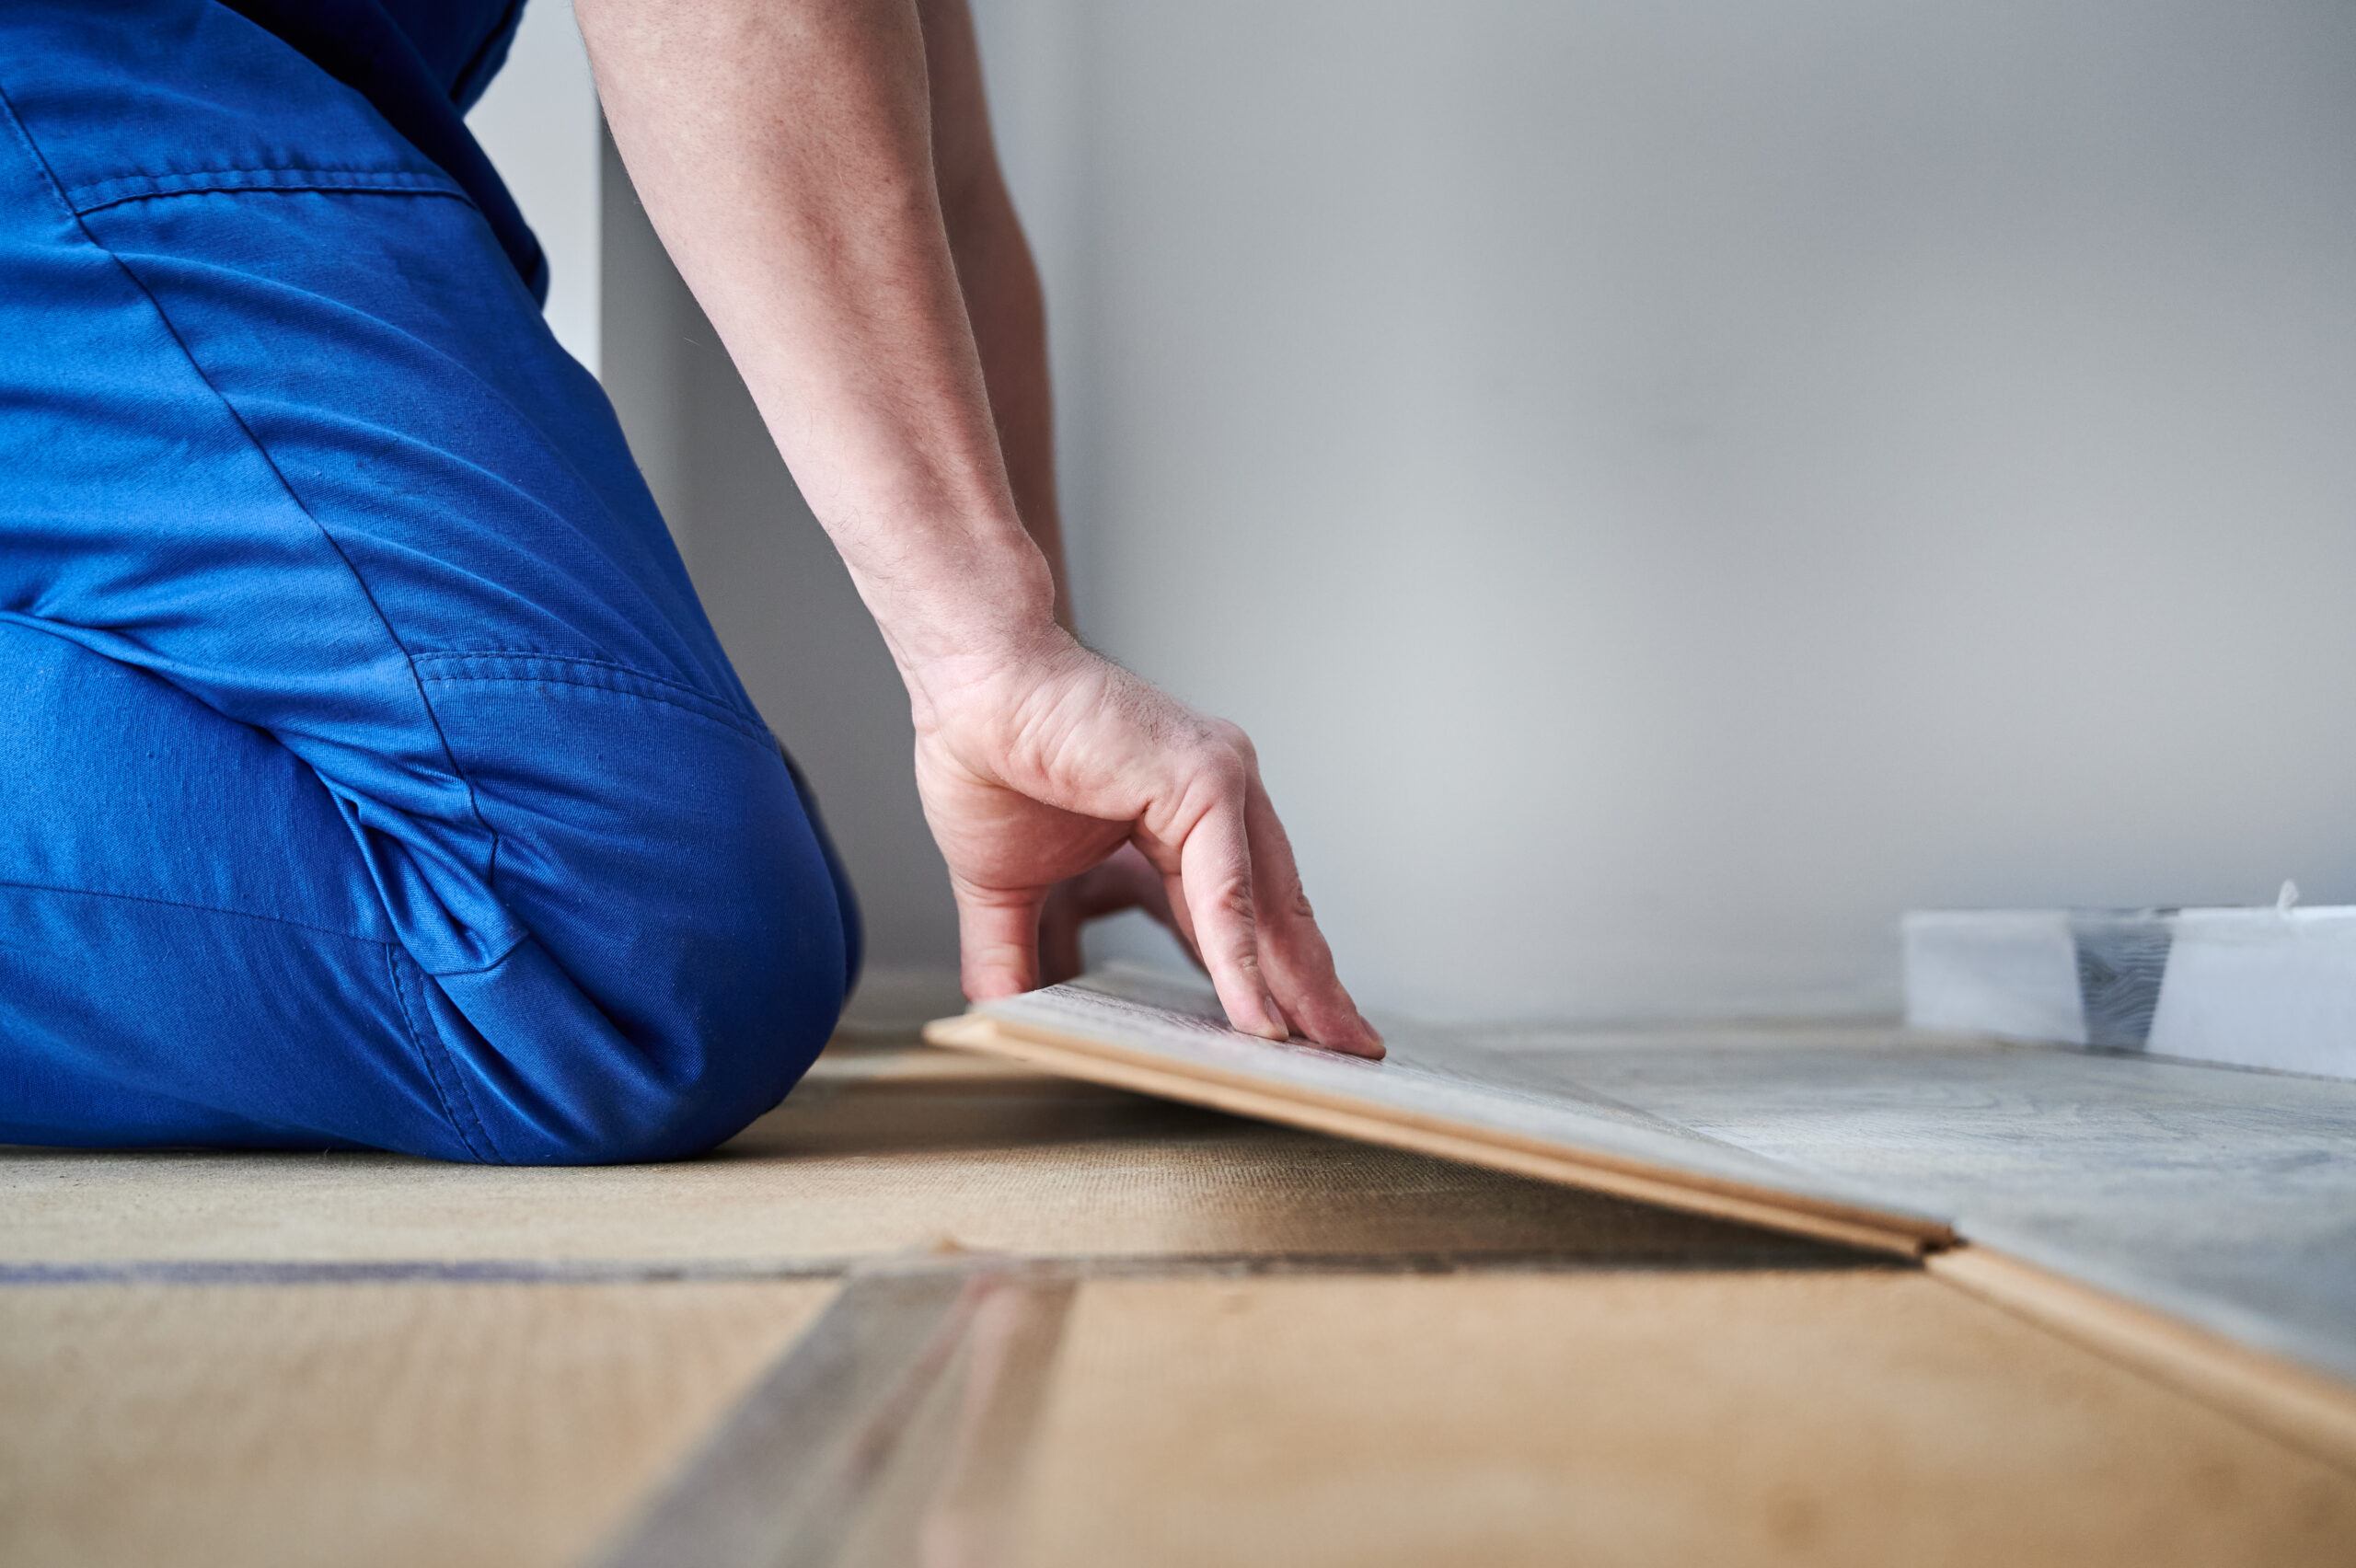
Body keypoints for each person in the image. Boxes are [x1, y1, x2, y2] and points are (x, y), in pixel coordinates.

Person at [0, 0, 1379, 1164]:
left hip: (206, 101)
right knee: (624, 944)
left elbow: (935, 157)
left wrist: (1036, 694)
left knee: (752, 904)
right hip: (79, 86)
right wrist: (985, 653)